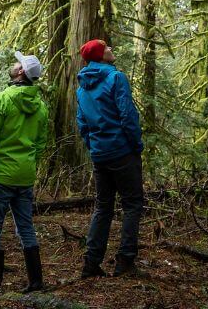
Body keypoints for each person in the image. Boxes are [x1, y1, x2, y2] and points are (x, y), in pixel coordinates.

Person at [0, 51, 49, 292]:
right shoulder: (40, 107)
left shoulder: (3, 99)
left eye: (18, 63)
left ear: (20, 73)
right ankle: (36, 281)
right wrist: (29, 165)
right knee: (26, 227)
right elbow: (40, 144)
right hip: (25, 176)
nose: (14, 64)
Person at [76, 38, 145, 277]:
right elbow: (127, 115)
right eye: (106, 48)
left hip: (100, 154)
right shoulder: (116, 78)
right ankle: (125, 262)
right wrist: (136, 145)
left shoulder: (81, 87)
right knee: (132, 204)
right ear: (99, 56)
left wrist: (94, 146)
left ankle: (91, 263)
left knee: (103, 207)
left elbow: (82, 123)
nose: (111, 49)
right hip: (122, 151)